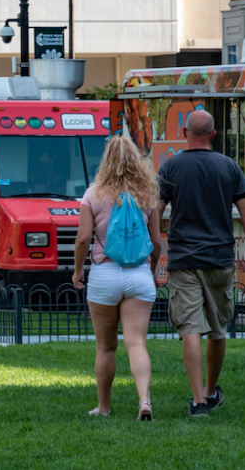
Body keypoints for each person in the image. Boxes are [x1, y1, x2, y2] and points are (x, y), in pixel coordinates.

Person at [158, 110, 245, 417]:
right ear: (214, 135)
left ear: (184, 131)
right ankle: (210, 390)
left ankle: (198, 402)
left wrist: (155, 250)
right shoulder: (229, 167)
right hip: (220, 259)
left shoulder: (171, 166)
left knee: (190, 328)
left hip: (184, 259)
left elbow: (155, 210)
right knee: (218, 328)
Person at [73, 134, 162, 421]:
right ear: (137, 161)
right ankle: (144, 400)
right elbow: (157, 241)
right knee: (136, 343)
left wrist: (77, 271)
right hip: (138, 274)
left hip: (104, 274)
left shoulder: (93, 194)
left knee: (105, 346)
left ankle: (104, 407)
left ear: (106, 161)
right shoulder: (147, 194)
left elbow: (84, 238)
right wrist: (154, 266)